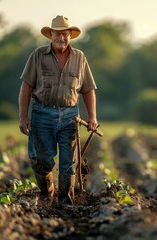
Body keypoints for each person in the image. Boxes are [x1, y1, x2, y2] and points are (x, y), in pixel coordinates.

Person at [18, 15, 98, 208]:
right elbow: (26, 87)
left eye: (65, 34)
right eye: (57, 34)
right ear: (50, 35)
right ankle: (46, 192)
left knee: (68, 162)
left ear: (70, 35)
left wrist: (93, 117)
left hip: (70, 115)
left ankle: (65, 202)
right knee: (41, 160)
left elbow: (88, 89)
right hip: (42, 113)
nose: (61, 37)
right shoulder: (37, 56)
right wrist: (23, 116)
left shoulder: (80, 57)